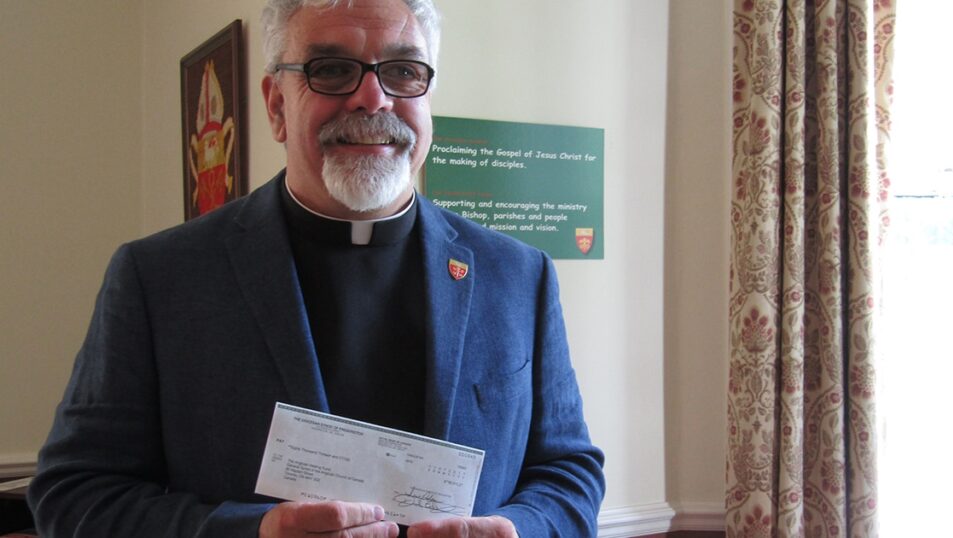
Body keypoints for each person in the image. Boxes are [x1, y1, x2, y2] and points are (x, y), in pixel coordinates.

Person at [26, 0, 606, 536]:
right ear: (277, 106)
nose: (372, 99)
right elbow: (74, 493)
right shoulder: (160, 277)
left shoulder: (517, 274)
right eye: (331, 69)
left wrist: (523, 530)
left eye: (403, 71)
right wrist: (250, 533)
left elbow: (568, 470)